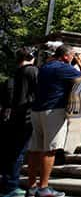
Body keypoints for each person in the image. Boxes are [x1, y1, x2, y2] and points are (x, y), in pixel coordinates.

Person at [27, 44, 81, 197]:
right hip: (53, 111)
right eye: (72, 55)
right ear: (66, 56)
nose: (73, 58)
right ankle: (44, 187)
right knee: (50, 149)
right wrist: (79, 64)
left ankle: (31, 186)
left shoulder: (44, 67)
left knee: (35, 149)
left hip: (36, 111)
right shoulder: (62, 67)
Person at [1, 49, 38, 197]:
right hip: (26, 116)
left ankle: (8, 183)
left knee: (12, 152)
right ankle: (12, 185)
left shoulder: (15, 75)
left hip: (14, 117)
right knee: (19, 152)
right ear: (31, 57)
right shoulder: (32, 71)